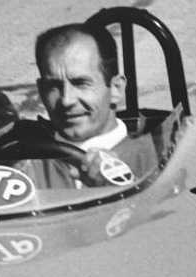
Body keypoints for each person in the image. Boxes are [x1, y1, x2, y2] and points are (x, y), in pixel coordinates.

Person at [31, 22, 158, 186]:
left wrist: (119, 184)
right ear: (41, 91)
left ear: (116, 88)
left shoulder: (157, 155)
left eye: (80, 83)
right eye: (54, 86)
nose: (66, 100)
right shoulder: (24, 164)